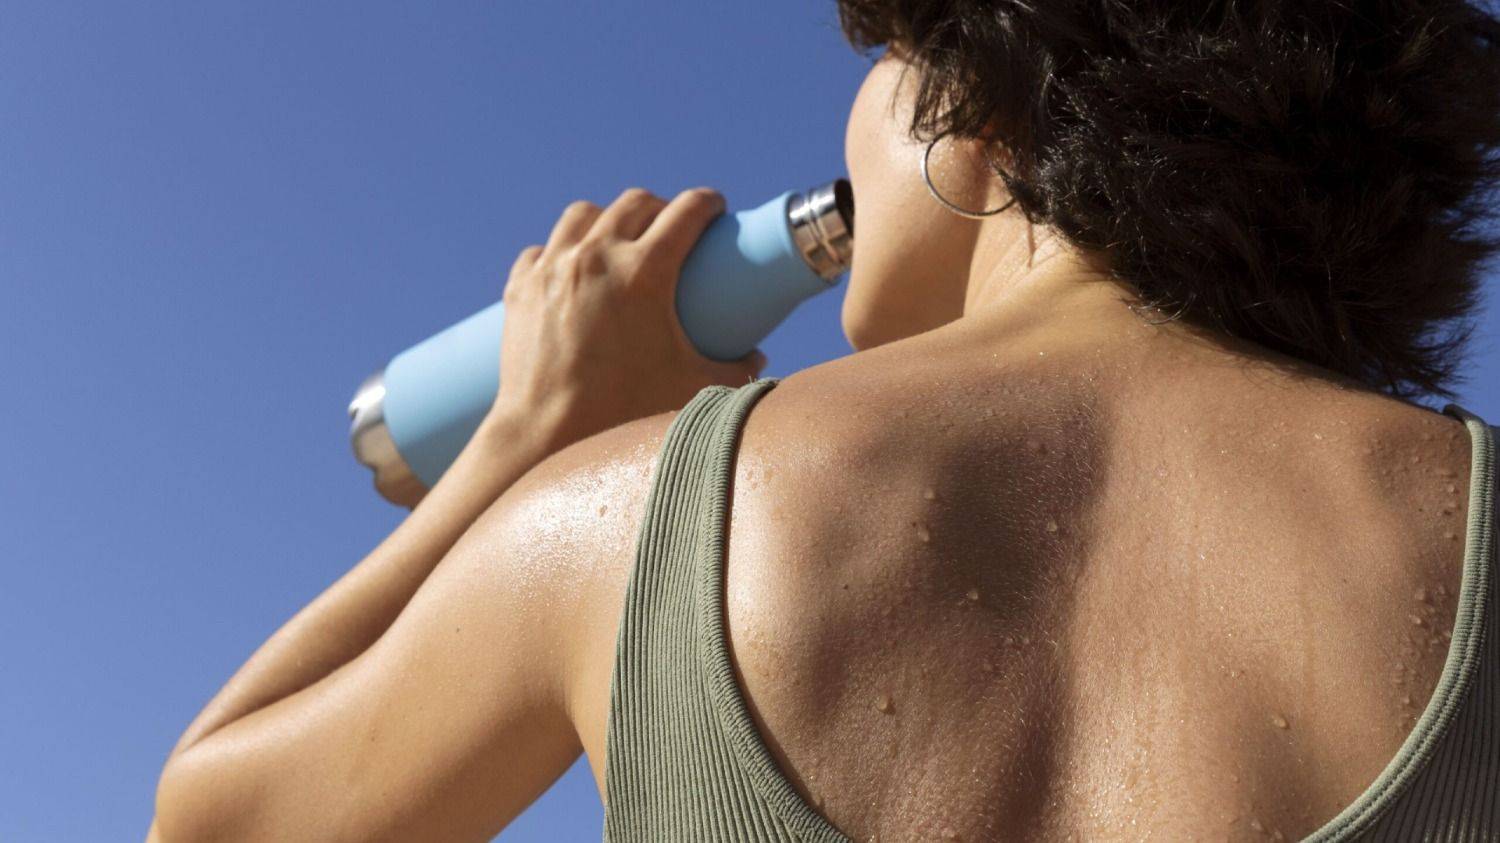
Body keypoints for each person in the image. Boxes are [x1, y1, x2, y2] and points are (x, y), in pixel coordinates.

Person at [149, 1, 1500, 840]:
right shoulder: (1465, 519)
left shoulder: (635, 522)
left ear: (979, 98)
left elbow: (206, 823)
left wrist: (531, 437)